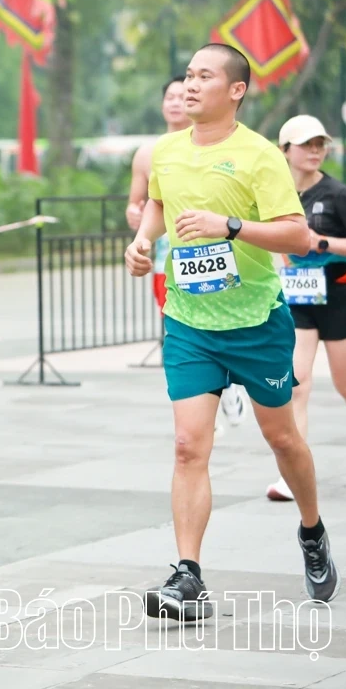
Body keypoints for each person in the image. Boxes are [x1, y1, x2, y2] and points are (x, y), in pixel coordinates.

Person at [124, 44, 339, 620]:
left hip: (256, 323)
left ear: (236, 90)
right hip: (190, 323)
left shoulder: (260, 156)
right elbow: (158, 205)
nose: (190, 86)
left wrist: (232, 226)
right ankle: (188, 576)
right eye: (188, 76)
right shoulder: (166, 150)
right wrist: (144, 243)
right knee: (189, 445)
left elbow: (297, 237)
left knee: (283, 439)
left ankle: (312, 530)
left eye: (204, 77)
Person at [127, 76, 249, 429]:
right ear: (163, 104)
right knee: (176, 328)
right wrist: (136, 223)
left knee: (216, 325)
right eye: (171, 96)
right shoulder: (149, 153)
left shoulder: (221, 145)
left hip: (213, 254)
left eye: (184, 94)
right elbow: (141, 204)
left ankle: (226, 387)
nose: (178, 101)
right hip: (168, 257)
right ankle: (197, 406)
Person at [268, 114, 346, 501]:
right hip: (300, 298)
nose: (314, 151)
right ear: (284, 151)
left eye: (319, 144)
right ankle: (293, 474)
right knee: (298, 385)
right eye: (306, 144)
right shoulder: (279, 195)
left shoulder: (338, 194)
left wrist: (321, 243)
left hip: (340, 295)